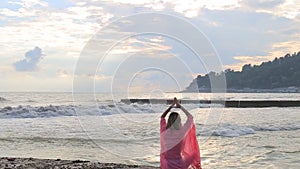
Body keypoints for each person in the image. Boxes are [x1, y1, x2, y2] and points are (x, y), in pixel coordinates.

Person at [160, 98, 202, 169]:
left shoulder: (164, 131)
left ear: (169, 120)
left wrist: (171, 106)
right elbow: (190, 117)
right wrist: (180, 106)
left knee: (164, 156)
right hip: (180, 165)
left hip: (166, 165)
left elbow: (162, 117)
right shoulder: (181, 132)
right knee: (194, 153)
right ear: (179, 121)